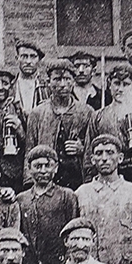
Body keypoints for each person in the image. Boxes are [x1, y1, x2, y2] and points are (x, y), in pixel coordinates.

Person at [76, 133, 132, 264]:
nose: (104, 158)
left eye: (110, 153)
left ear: (120, 158)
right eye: (99, 153)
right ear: (92, 159)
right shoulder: (82, 193)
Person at [28, 57, 96, 190]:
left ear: (73, 82)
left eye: (67, 79)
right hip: (45, 177)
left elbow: (93, 149)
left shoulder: (86, 112)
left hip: (77, 178)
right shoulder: (38, 113)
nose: (63, 84)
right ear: (48, 82)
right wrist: (30, 183)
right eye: (57, 79)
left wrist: (81, 149)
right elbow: (29, 151)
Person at [15, 144, 78, 264]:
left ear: (56, 168)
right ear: (29, 169)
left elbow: (72, 231)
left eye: (47, 166)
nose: (43, 171)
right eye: (38, 166)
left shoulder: (66, 196)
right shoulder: (21, 199)